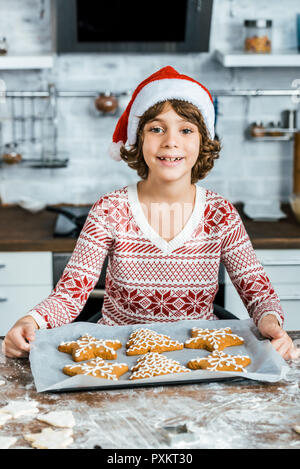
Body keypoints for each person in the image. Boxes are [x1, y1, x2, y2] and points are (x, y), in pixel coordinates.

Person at [3, 66, 299, 361]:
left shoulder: (220, 213)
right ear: (139, 139)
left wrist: (271, 324)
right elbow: (70, 294)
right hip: (119, 359)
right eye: (156, 128)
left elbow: (257, 292)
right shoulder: (110, 210)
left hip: (199, 361)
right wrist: (32, 321)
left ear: (203, 141)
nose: (171, 141)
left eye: (186, 130)